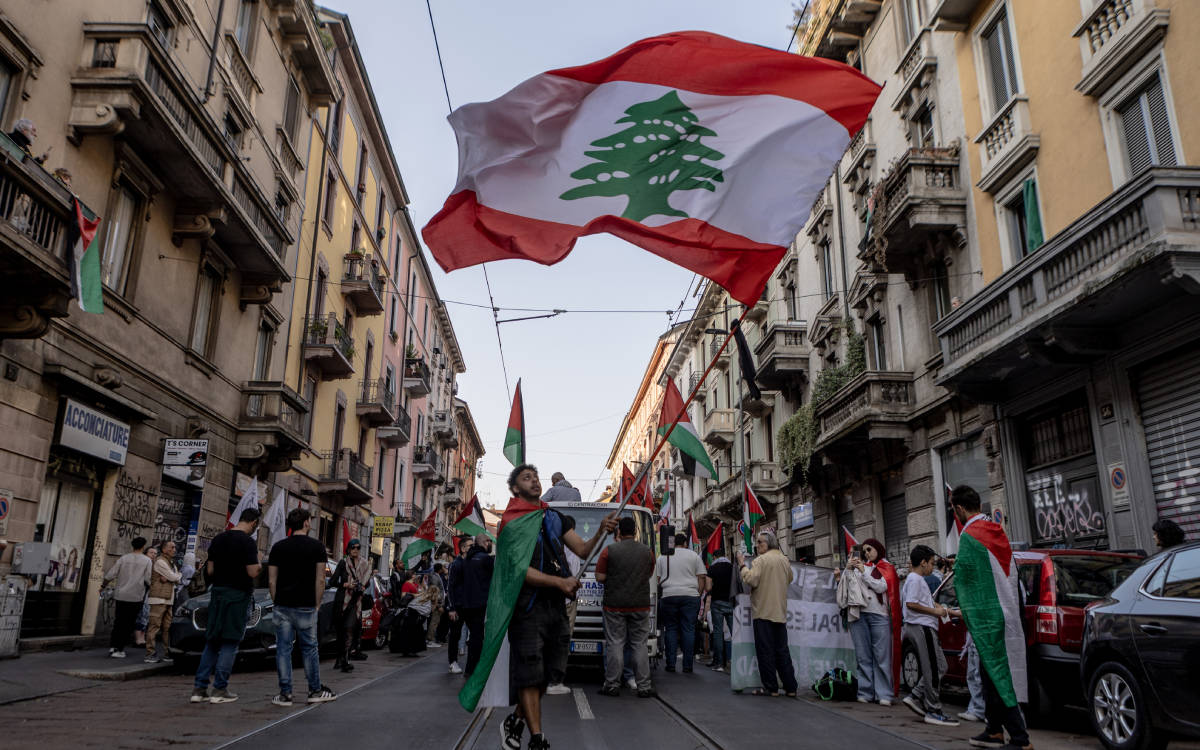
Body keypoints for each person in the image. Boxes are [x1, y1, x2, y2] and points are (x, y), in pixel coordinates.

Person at [500, 464, 616, 750]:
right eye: (527, 478)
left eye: (536, 477)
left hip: (555, 606)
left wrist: (602, 530)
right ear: (515, 488)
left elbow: (584, 550)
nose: (534, 482)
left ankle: (515, 721)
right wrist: (559, 582)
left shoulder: (555, 517)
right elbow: (517, 570)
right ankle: (537, 738)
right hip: (527, 606)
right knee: (530, 673)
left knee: (548, 675)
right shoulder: (511, 522)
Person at [949, 485, 1031, 750]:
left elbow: (964, 578)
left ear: (959, 508)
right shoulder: (995, 529)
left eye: (954, 510)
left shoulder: (969, 535)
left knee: (998, 676)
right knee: (988, 675)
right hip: (1007, 611)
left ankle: (1021, 739)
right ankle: (994, 730)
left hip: (989, 618)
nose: (955, 514)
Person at [268, 508, 337, 706]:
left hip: (282, 605)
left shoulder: (278, 547)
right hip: (306, 605)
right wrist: (316, 603)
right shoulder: (317, 547)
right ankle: (315, 690)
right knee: (309, 649)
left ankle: (285, 694)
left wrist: (277, 601)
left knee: (283, 649)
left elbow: (272, 581)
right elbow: (320, 580)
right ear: (306, 523)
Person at [191, 508, 261, 704]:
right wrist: (259, 564)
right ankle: (220, 690)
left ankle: (199, 688)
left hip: (218, 593)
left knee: (212, 641)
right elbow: (253, 572)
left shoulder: (219, 539)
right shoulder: (248, 542)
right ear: (254, 522)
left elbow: (210, 570)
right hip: (237, 596)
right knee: (230, 642)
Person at [596, 516, 657, 698]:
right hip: (640, 604)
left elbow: (599, 577)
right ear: (636, 532)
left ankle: (612, 684)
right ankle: (644, 686)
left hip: (614, 605)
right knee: (639, 644)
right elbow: (649, 573)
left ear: (619, 532)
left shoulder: (609, 551)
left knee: (615, 643)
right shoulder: (648, 552)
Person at [900, 544, 959, 726]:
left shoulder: (916, 580)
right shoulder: (916, 579)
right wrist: (936, 613)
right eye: (932, 563)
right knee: (933, 669)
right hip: (922, 627)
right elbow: (912, 604)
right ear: (923, 563)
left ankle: (916, 695)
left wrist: (949, 612)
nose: (933, 567)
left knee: (940, 666)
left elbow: (925, 602)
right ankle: (933, 710)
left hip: (923, 626)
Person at [737, 531, 798, 697]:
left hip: (763, 611)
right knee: (782, 650)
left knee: (766, 651)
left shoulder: (760, 560)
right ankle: (790, 687)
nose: (757, 546)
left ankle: (771, 687)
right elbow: (790, 578)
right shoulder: (784, 559)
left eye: (760, 543)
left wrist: (742, 566)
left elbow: (751, 580)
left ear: (769, 544)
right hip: (780, 611)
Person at [844, 538, 899, 705]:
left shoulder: (886, 567)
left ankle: (884, 694)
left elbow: (881, 587)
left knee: (882, 656)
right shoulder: (861, 567)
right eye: (865, 551)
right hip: (859, 615)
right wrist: (848, 570)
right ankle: (865, 692)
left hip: (879, 616)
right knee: (863, 656)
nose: (867, 553)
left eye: (870, 549)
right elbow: (849, 587)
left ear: (878, 549)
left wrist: (863, 572)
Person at [655, 532, 706, 674]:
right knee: (688, 630)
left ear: (672, 543)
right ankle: (687, 665)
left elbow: (657, 579)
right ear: (685, 543)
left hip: (669, 595)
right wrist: (698, 594)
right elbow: (701, 577)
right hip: (690, 596)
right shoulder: (694, 556)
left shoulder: (663, 556)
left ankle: (670, 664)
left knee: (670, 629)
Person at [102, 536, 152, 659]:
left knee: (118, 622)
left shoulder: (124, 558)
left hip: (121, 594)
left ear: (133, 545)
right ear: (143, 546)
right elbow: (148, 578)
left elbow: (111, 573)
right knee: (128, 623)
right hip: (135, 596)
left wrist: (103, 585)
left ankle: (113, 646)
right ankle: (119, 649)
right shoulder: (146, 561)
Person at [329, 538, 370, 672]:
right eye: (353, 548)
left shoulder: (364, 564)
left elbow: (366, 582)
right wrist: (346, 584)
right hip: (342, 600)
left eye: (358, 548)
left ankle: (345, 660)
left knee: (348, 630)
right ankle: (340, 659)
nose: (356, 550)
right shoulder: (343, 563)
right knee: (341, 632)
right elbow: (333, 582)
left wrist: (363, 587)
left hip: (355, 601)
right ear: (348, 549)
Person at [460, 532, 494, 677]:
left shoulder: (468, 559)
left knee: (474, 636)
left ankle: (470, 668)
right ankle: (473, 670)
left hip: (467, 604)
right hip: (479, 603)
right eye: (490, 541)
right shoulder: (485, 559)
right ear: (484, 542)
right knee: (477, 638)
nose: (491, 544)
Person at [145, 540, 181, 663]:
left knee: (167, 628)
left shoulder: (171, 563)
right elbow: (174, 577)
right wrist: (174, 576)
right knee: (154, 626)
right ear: (164, 549)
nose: (174, 549)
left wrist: (174, 576)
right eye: (172, 547)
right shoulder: (160, 561)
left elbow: (176, 578)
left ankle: (167, 653)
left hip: (168, 600)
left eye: (175, 547)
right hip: (158, 599)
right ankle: (150, 653)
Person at [705, 547, 735, 672]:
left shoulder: (712, 568)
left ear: (715, 557)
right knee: (735, 632)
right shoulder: (733, 567)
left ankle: (719, 664)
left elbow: (707, 588)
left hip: (717, 602)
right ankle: (736, 660)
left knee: (718, 632)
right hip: (731, 602)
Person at [446, 536, 472, 673]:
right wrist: (452, 608)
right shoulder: (456, 564)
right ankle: (453, 661)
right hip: (457, 606)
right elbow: (450, 587)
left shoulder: (469, 563)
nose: (472, 548)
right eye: (470, 546)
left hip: (468, 605)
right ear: (463, 548)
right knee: (455, 634)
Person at [134, 545, 159, 647]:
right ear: (145, 553)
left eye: (155, 553)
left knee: (146, 615)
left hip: (149, 593)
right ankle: (137, 639)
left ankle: (142, 638)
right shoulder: (142, 563)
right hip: (140, 592)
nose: (153, 555)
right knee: (140, 616)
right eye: (151, 552)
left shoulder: (155, 564)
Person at [426, 562, 447, 647]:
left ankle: (431, 639)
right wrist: (439, 605)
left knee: (435, 622)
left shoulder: (436, 576)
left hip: (438, 602)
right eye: (442, 567)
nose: (443, 569)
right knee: (434, 622)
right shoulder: (435, 577)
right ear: (439, 569)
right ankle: (430, 640)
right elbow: (434, 591)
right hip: (436, 603)